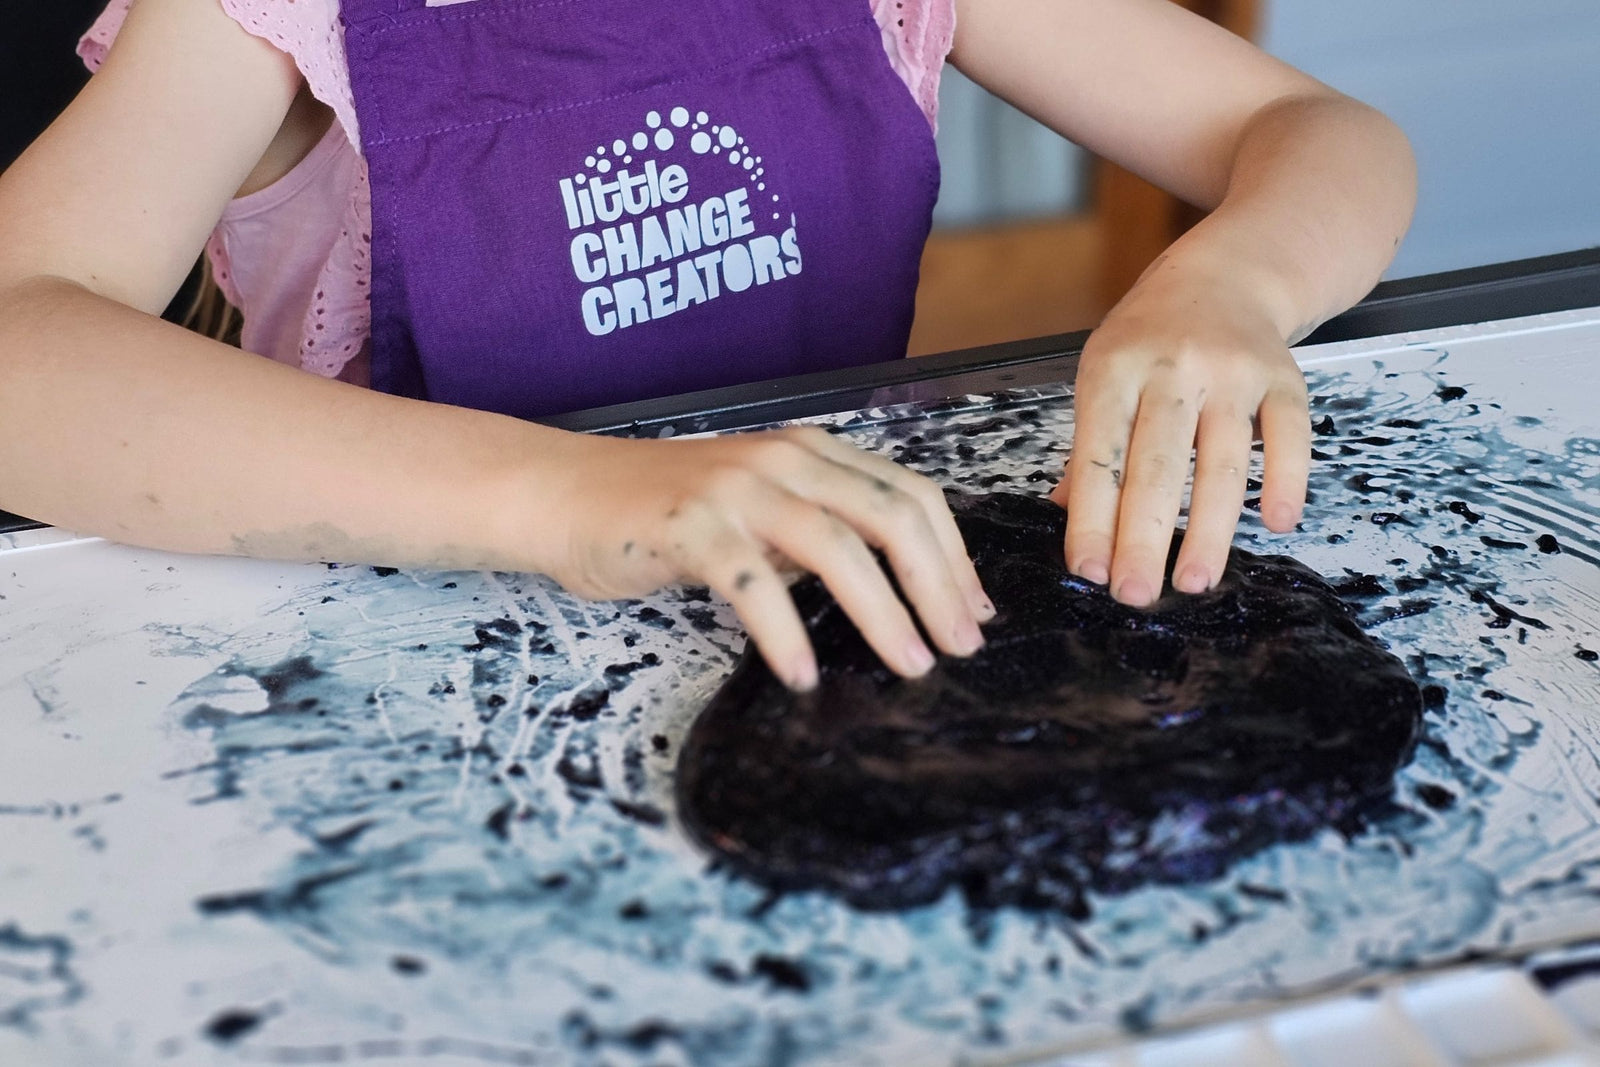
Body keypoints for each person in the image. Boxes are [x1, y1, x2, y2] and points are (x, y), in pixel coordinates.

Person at [0, 0, 1415, 690]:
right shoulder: (265, 16)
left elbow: (1320, 136)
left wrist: (1229, 285)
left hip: (810, 618)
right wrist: (569, 497)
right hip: (389, 647)